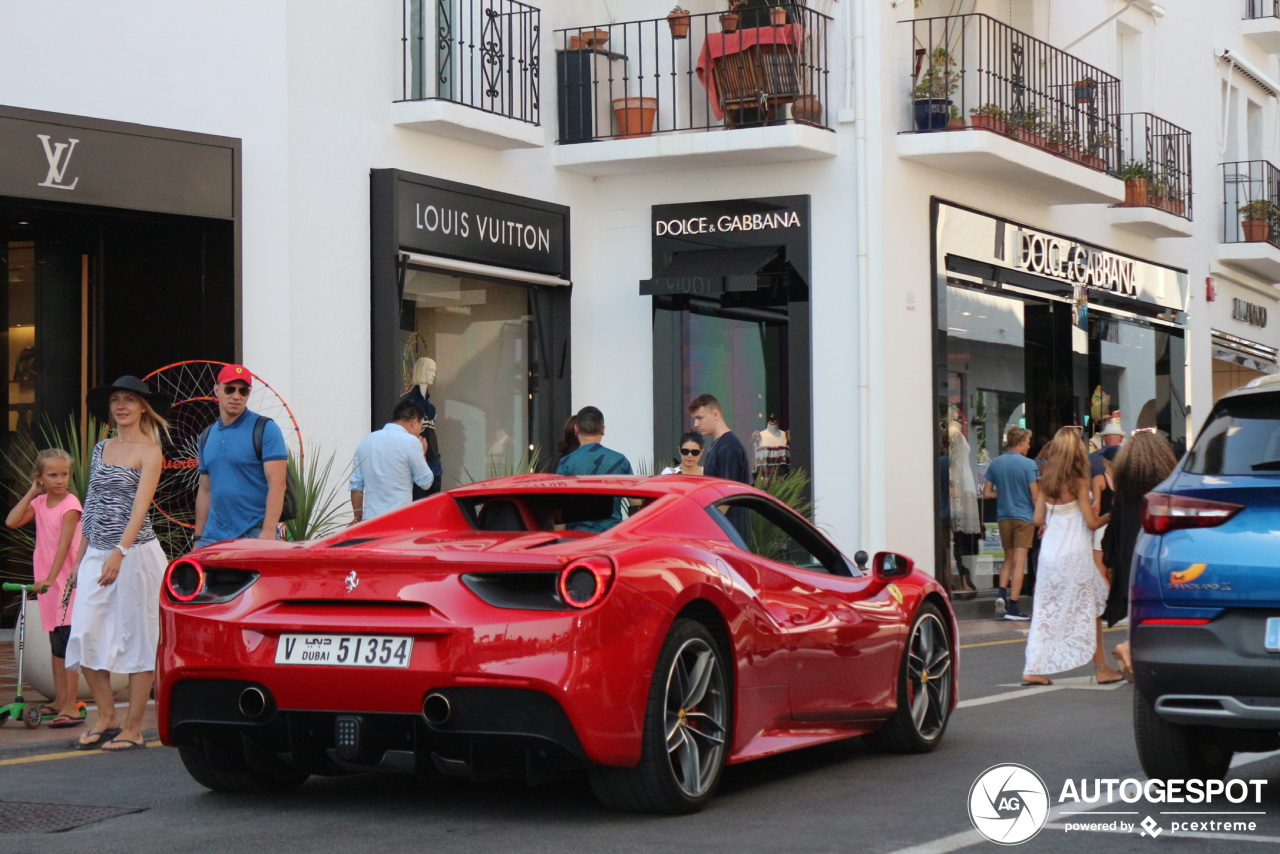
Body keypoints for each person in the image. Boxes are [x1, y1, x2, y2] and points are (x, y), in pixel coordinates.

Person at [66, 375, 170, 750]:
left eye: (129, 399)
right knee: (84, 631)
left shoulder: (150, 451)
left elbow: (140, 509)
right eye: (116, 400)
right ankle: (106, 716)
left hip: (135, 554)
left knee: (138, 636)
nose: (121, 406)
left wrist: (120, 552)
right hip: (97, 551)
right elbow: (91, 504)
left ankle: (133, 727)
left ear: (143, 406)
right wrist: (80, 559)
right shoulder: (102, 447)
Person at [1021, 427, 1120, 686]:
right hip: (1074, 554)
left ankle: (1033, 666)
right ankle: (1101, 668)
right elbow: (1090, 522)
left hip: (1050, 555)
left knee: (1045, 611)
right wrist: (1112, 514)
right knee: (1092, 607)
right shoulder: (1079, 482)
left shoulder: (1047, 481)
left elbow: (1037, 519)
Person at [5, 448, 83, 727]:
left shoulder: (70, 504)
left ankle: (71, 703)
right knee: (55, 641)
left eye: (64, 474)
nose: (60, 480)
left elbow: (63, 547)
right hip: (47, 581)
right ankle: (60, 699)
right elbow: (12, 521)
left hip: (65, 582)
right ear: (40, 478)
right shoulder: (39, 503)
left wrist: (51, 579)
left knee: (67, 640)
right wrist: (31, 492)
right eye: (52, 475)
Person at [1103, 429, 1179, 681]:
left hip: (1129, 557)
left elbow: (1113, 531)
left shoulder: (1123, 492)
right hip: (1159, 553)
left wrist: (1110, 560)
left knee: (1136, 608)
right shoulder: (1166, 490)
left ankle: (1130, 647)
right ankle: (1131, 649)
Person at [193, 364, 287, 549]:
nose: (236, 396)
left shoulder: (265, 429)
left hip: (254, 532)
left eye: (243, 391)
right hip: (213, 536)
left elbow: (278, 483)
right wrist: (198, 537)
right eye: (230, 389)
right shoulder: (206, 436)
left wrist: (268, 532)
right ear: (217, 389)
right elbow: (205, 490)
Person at [982, 427, 1040, 621]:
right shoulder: (1028, 464)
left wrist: (1005, 494)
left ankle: (1001, 595)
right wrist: (1043, 516)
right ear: (1022, 441)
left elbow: (987, 493)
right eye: (1028, 441)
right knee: (1020, 561)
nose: (1029, 445)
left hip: (1003, 516)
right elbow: (1034, 495)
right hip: (1023, 516)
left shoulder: (996, 463)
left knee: (1008, 558)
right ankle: (1013, 606)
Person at [349, 400, 435, 523]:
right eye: (421, 428)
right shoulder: (411, 442)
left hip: (370, 521)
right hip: (399, 520)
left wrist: (358, 516)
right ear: (414, 422)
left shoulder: (365, 441)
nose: (419, 433)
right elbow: (425, 482)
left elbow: (356, 485)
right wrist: (422, 455)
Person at [556, 406, 633, 532]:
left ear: (576, 429)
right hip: (611, 536)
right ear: (603, 430)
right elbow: (635, 502)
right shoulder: (620, 460)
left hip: (577, 537)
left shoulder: (566, 463)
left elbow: (559, 507)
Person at [399, 356, 442, 497]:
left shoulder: (431, 407)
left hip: (433, 458)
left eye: (434, 371)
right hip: (416, 457)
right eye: (430, 370)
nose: (434, 375)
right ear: (421, 371)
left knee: (433, 501)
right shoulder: (408, 401)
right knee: (418, 500)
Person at [688, 394, 750, 485]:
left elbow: (726, 493)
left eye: (700, 418)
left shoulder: (728, 447)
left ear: (716, 415)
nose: (696, 424)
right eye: (694, 419)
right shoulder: (721, 445)